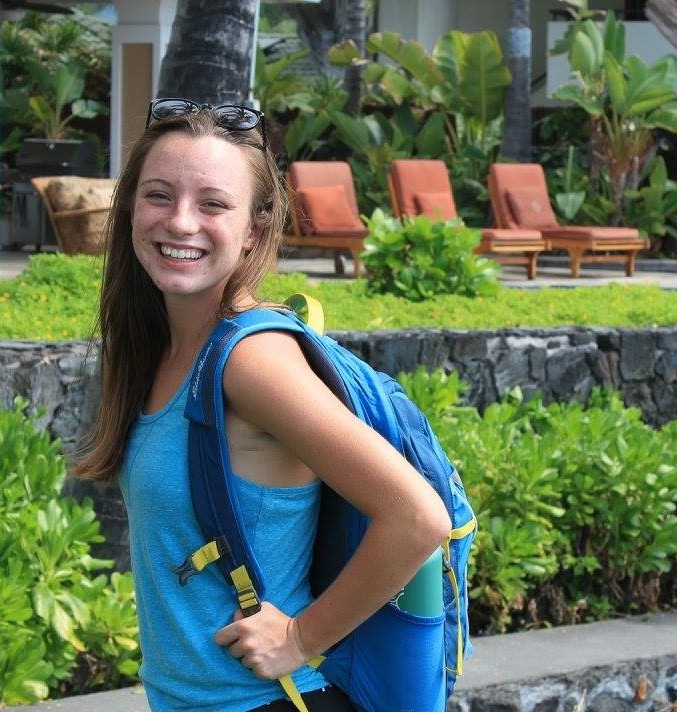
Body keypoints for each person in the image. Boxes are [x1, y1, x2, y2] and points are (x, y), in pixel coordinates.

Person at [73, 100, 451, 711]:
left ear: (253, 229)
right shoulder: (163, 346)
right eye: (159, 195)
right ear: (130, 210)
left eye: (213, 204)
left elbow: (417, 518)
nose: (180, 222)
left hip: (267, 700)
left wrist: (302, 637)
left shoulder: (252, 361)